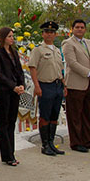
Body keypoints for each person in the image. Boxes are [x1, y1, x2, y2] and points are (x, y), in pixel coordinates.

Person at [61, 19, 90, 153]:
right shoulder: (68, 43)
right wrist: (88, 73)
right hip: (76, 83)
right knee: (75, 115)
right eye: (77, 27)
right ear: (72, 29)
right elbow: (72, 63)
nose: (80, 29)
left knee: (88, 114)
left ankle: (87, 140)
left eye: (82, 27)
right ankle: (76, 142)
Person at [29, 21, 66, 156]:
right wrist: (37, 86)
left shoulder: (56, 50)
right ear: (43, 34)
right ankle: (45, 145)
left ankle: (51, 142)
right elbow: (32, 68)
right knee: (45, 116)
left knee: (54, 116)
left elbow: (60, 69)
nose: (49, 35)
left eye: (52, 32)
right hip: (45, 85)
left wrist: (64, 85)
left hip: (57, 85)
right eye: (47, 32)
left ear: (55, 35)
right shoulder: (38, 50)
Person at [0, 27, 25, 165]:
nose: (12, 38)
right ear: (3, 37)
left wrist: (21, 84)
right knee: (3, 123)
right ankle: (6, 155)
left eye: (13, 36)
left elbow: (19, 71)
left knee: (11, 122)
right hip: (4, 91)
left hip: (15, 92)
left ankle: (12, 152)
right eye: (10, 36)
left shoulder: (14, 52)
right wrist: (13, 86)